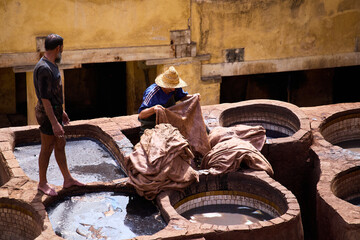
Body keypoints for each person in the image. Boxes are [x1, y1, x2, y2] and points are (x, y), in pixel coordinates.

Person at [33, 33, 84, 196]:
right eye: (62, 48)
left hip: (54, 111)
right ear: (58, 48)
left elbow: (52, 93)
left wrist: (60, 111)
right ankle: (42, 183)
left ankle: (67, 179)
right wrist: (54, 123)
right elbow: (45, 99)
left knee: (60, 143)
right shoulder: (43, 68)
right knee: (47, 147)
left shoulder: (52, 64)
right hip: (46, 113)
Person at [138, 66, 199, 136]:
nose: (173, 90)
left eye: (174, 87)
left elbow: (182, 97)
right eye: (170, 87)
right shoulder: (152, 93)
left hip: (169, 122)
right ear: (163, 85)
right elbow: (141, 115)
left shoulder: (175, 88)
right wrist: (154, 109)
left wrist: (194, 97)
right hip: (151, 125)